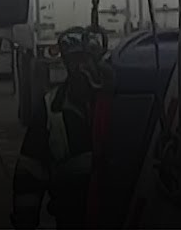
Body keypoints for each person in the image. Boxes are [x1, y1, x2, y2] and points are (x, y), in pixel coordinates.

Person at [11, 27, 109, 229]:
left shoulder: (118, 102)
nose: (80, 67)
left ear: (97, 60)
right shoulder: (51, 109)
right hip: (71, 216)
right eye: (73, 60)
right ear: (65, 63)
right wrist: (25, 219)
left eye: (86, 58)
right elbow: (30, 169)